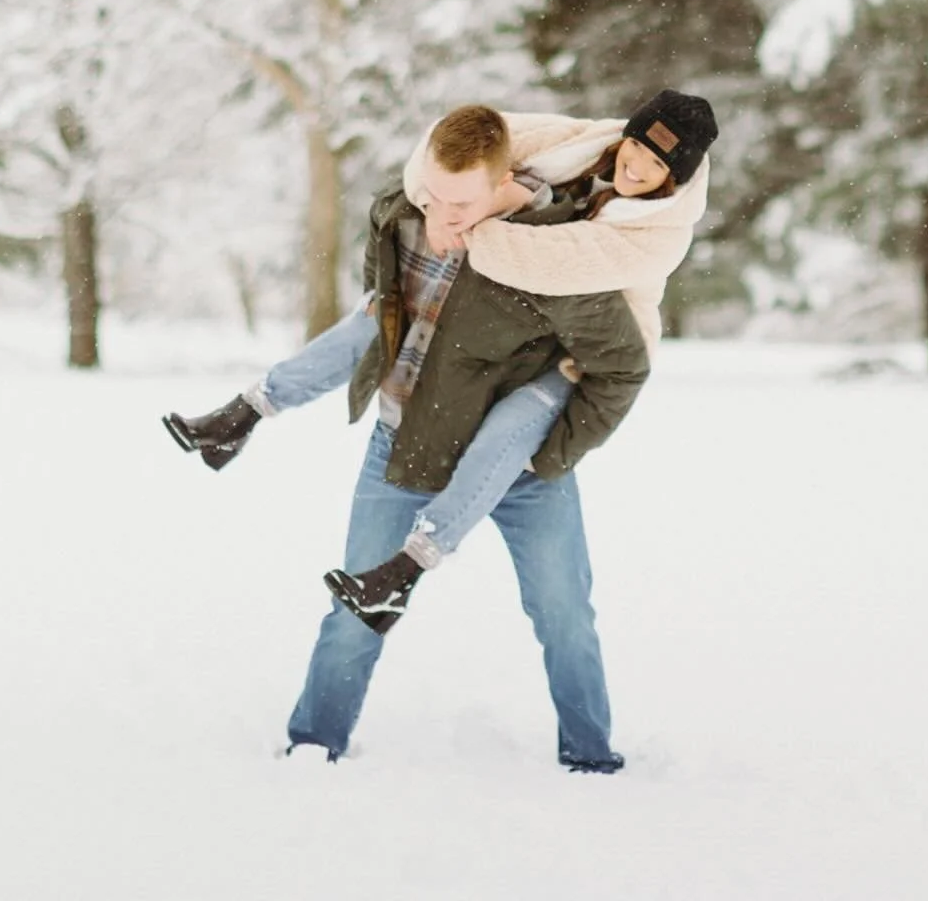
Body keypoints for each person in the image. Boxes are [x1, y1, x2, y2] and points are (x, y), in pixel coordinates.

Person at [164, 101, 687, 771]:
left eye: (461, 203)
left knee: (565, 616)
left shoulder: (557, 252)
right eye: (433, 194)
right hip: (402, 445)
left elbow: (622, 364)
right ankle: (314, 744)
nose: (441, 214)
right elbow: (373, 317)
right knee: (354, 610)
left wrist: (556, 452)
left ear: (502, 184)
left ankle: (590, 758)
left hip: (521, 471)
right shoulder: (405, 217)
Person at [321, 89, 718, 631]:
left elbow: (546, 264)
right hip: (531, 334)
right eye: (639, 147)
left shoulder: (662, 234)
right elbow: (445, 143)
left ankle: (406, 569)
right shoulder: (578, 143)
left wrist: (465, 219)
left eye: (657, 165)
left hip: (586, 359)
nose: (637, 166)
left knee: (506, 451)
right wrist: (436, 199)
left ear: (674, 177)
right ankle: (394, 575)